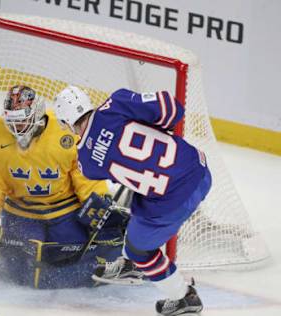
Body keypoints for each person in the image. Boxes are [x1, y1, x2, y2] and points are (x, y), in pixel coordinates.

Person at [0, 85, 143, 289]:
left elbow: (85, 175)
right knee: (22, 268)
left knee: (77, 254)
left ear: (37, 113)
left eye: (22, 119)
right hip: (21, 213)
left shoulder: (65, 131)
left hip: (66, 212)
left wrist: (99, 202)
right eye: (12, 119)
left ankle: (137, 260)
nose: (17, 126)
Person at [54, 86, 211, 315]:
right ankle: (129, 264)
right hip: (197, 167)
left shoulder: (87, 163)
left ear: (67, 122)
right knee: (138, 204)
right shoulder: (117, 102)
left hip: (173, 201)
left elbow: (110, 160)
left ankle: (184, 297)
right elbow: (172, 108)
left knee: (141, 250)